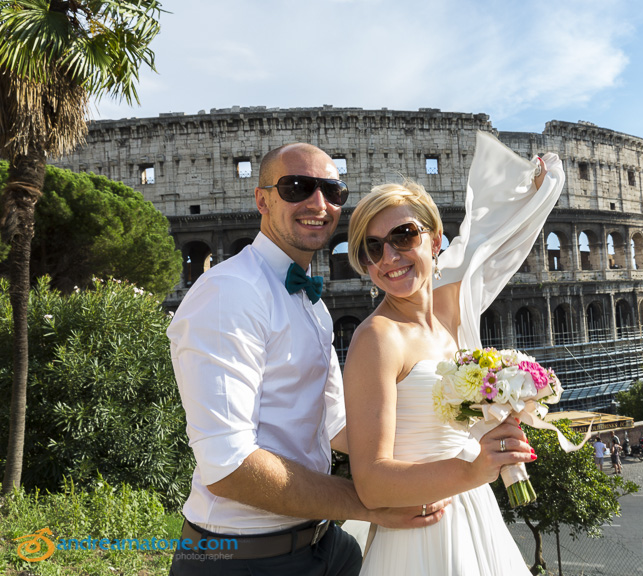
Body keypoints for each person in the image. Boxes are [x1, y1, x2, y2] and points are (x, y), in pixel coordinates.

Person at [167, 143, 448, 576]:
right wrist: (371, 502)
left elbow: (335, 423)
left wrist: (443, 446)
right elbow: (229, 466)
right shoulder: (229, 294)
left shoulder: (311, 304)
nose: (318, 203)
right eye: (297, 187)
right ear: (262, 200)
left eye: (332, 191)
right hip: (245, 559)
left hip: (324, 547)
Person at [341, 131, 565, 575]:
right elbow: (370, 482)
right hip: (421, 532)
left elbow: (488, 248)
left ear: (435, 238)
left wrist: (533, 194)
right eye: (372, 247)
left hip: (476, 514)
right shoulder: (377, 338)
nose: (389, 256)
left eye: (404, 236)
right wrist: (474, 469)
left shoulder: (450, 315)